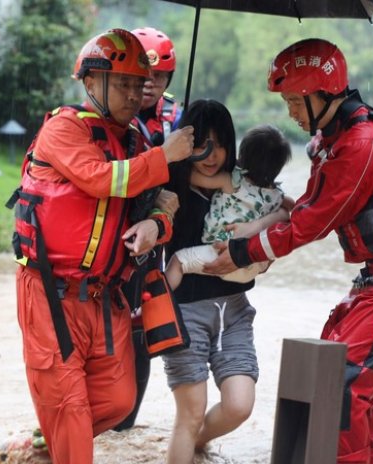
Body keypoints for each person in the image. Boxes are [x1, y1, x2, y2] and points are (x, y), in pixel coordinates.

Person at [204, 38, 373, 463]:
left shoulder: (361, 144)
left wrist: (245, 251)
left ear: (321, 94)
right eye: (286, 103)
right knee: (337, 380)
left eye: (294, 101)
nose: (290, 112)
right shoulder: (335, 138)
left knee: (342, 388)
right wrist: (260, 227)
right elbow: (309, 207)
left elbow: (313, 222)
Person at [7, 28, 194, 464]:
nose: (133, 94)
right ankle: (59, 442)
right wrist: (165, 156)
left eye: (138, 84)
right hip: (51, 294)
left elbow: (164, 202)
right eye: (122, 83)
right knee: (70, 409)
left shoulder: (136, 142)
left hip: (105, 298)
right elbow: (101, 179)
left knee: (118, 401)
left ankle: (41, 447)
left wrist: (155, 224)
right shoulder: (64, 128)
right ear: (90, 81)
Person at [163, 100, 285, 464]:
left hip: (234, 310)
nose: (210, 154)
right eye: (200, 144)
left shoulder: (247, 184)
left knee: (239, 406)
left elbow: (287, 211)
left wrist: (257, 229)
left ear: (233, 146)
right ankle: (188, 441)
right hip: (186, 311)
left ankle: (198, 443)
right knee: (190, 413)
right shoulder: (172, 186)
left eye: (218, 144)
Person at [114, 25, 182, 433]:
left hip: (155, 235)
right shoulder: (107, 116)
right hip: (110, 230)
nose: (150, 84)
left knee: (140, 329)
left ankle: (125, 427)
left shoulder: (177, 119)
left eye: (159, 77)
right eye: (144, 75)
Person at [165, 124, 292, 289]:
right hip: (255, 261)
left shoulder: (230, 181)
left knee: (178, 262)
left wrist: (175, 159)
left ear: (242, 155)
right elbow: (293, 206)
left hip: (219, 255)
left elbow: (191, 178)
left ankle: (158, 298)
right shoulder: (276, 195)